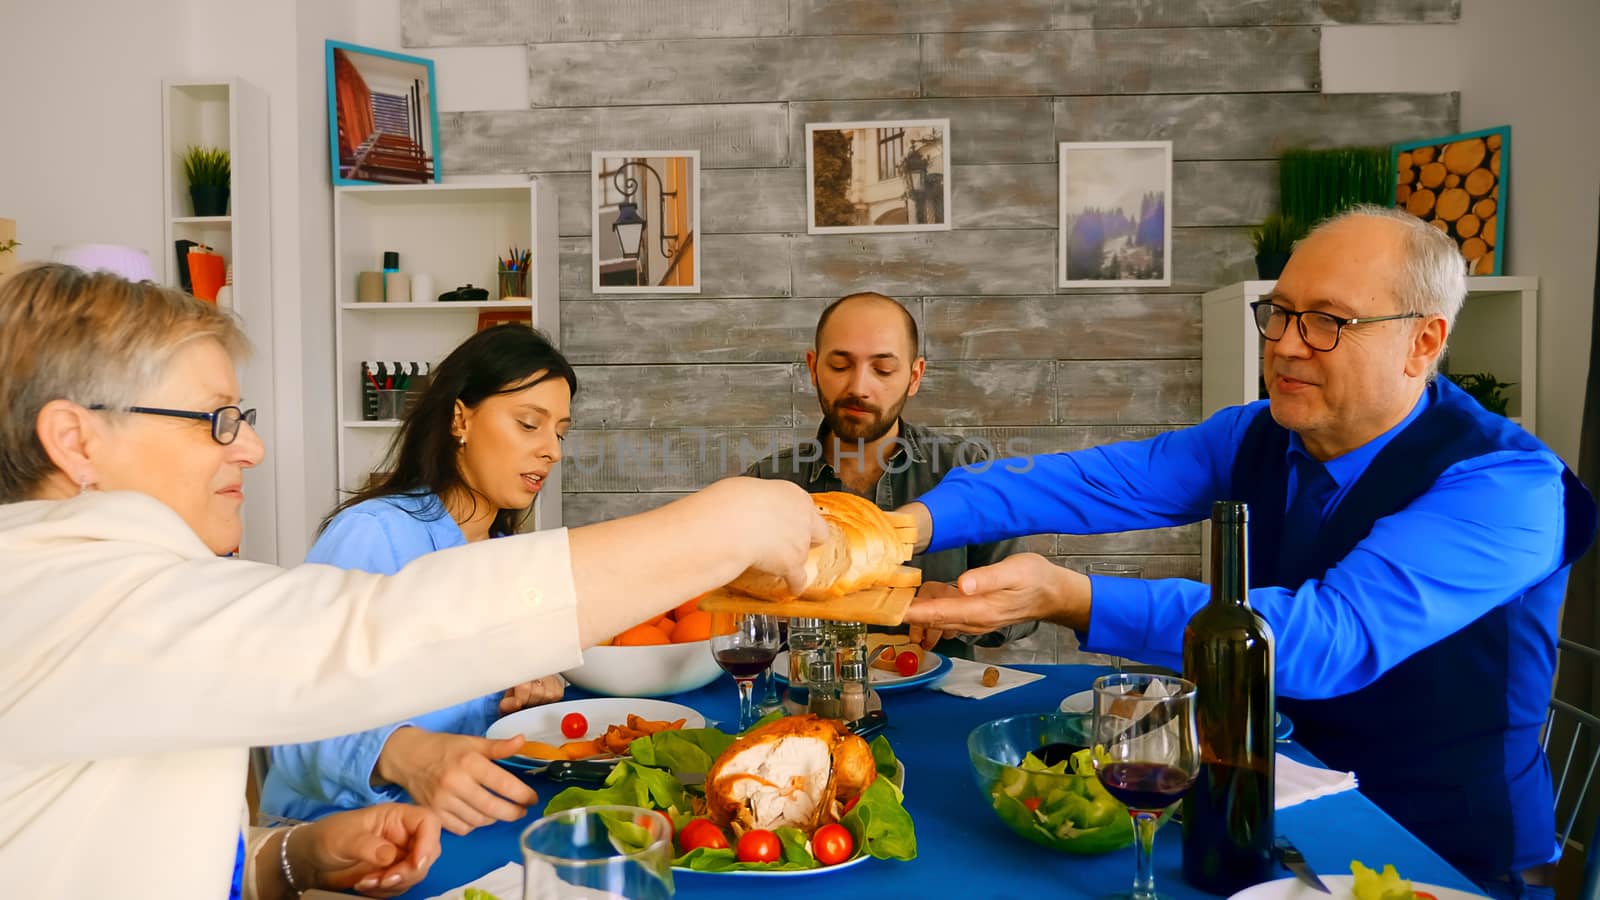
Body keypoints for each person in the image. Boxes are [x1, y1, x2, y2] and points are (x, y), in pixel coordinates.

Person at [0, 263, 826, 900]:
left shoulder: (113, 596)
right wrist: (721, 526)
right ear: (76, 441)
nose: (250, 449)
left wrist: (293, 856)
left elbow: (127, 849)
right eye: (219, 420)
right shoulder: (53, 598)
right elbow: (381, 630)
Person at [900, 206, 1596, 897]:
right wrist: (910, 525)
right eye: (1281, 313)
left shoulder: (1508, 487)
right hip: (1267, 814)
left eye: (1328, 321)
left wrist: (1070, 598)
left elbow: (1329, 638)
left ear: (1422, 343)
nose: (1288, 344)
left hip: (1437, 854)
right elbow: (1088, 481)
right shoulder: (1256, 434)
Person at [262, 324, 580, 834]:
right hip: (338, 843)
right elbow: (292, 720)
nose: (552, 452)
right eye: (528, 424)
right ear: (461, 417)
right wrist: (400, 753)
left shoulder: (506, 557)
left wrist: (522, 697)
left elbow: (471, 724)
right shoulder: (374, 534)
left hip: (454, 826)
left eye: (559, 433)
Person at [745, 291, 1034, 656]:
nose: (858, 388)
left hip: (938, 702)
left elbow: (1025, 611)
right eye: (839, 366)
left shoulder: (969, 469)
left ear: (914, 376)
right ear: (813, 369)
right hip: (804, 702)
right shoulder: (765, 483)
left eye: (882, 369)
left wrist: (959, 606)